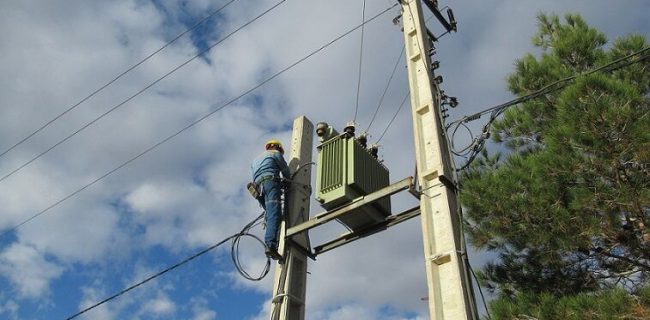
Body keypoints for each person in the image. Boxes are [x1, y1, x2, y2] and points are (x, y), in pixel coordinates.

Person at [251, 139, 290, 260]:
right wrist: (288, 181)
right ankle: (271, 245)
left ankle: (274, 238)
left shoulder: (256, 159)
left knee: (270, 212)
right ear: (278, 147)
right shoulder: (275, 154)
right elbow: (285, 171)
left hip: (258, 184)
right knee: (274, 214)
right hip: (270, 182)